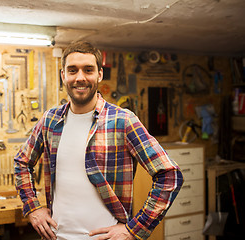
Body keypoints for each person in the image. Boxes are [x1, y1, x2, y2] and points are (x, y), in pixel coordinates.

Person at [14, 40, 183, 240]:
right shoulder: (50, 120)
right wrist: (32, 207)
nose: (80, 78)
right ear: (63, 76)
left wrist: (134, 229)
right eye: (72, 70)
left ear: (99, 74)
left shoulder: (123, 120)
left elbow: (170, 175)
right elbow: (22, 162)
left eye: (88, 70)